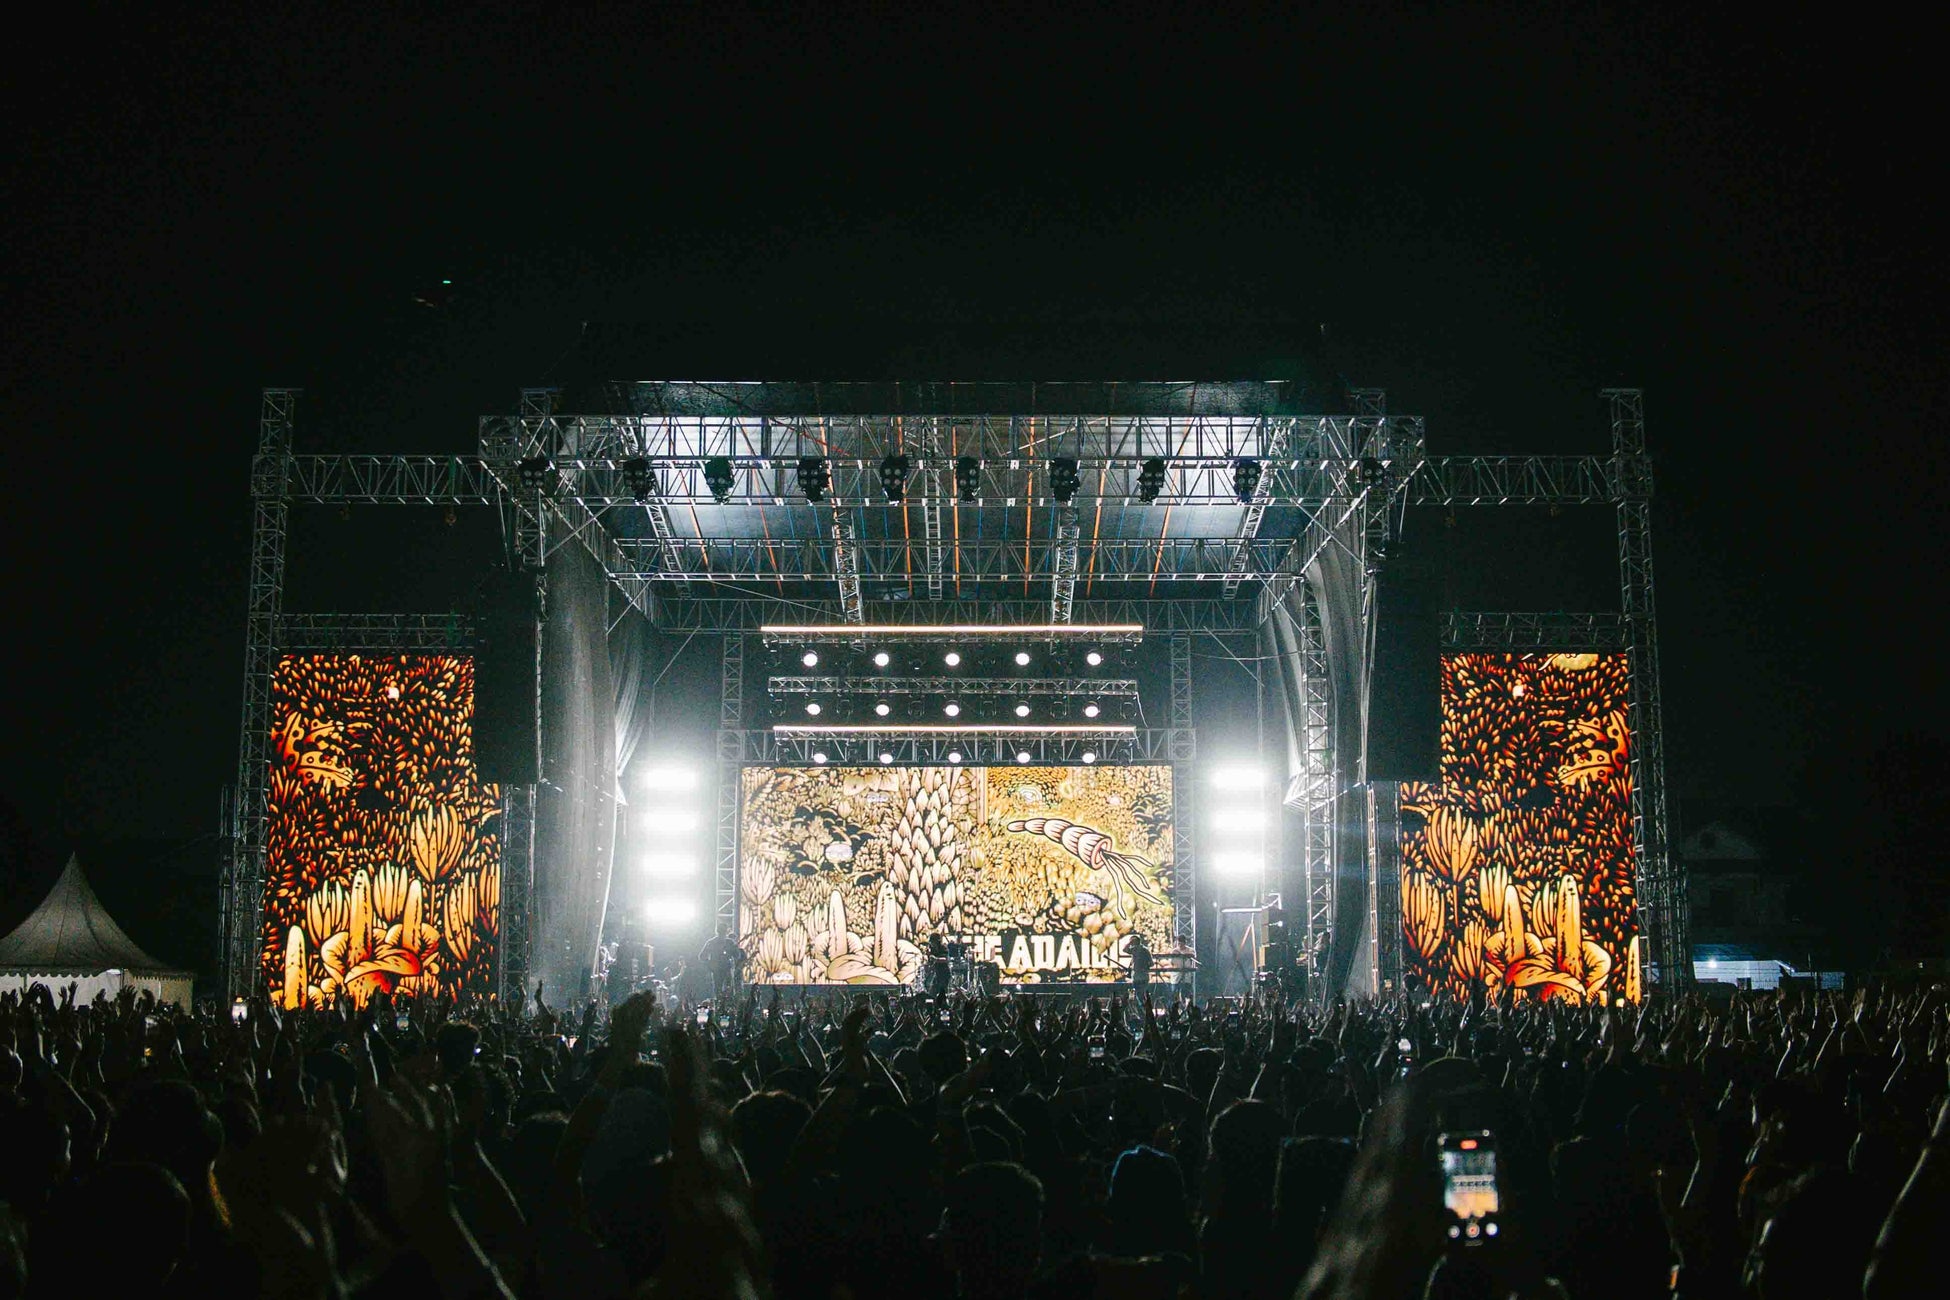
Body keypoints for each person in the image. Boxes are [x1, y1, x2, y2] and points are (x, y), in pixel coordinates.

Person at [698, 924, 743, 1002]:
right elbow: (737, 956)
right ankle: (724, 1004)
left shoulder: (713, 942)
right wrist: (710, 964)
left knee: (722, 989)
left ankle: (723, 1003)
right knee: (724, 989)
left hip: (722, 969)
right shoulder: (726, 942)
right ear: (726, 931)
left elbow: (701, 956)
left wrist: (710, 964)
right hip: (720, 969)